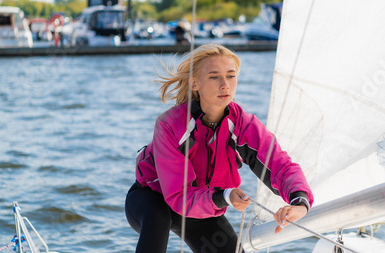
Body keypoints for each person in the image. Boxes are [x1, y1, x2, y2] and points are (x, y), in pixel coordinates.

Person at [125, 44, 313, 252]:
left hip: (202, 206)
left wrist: (300, 203)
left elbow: (280, 165)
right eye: (214, 77)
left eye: (231, 76)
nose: (225, 85)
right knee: (157, 218)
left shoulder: (243, 125)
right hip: (152, 199)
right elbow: (178, 195)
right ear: (194, 83)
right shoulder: (170, 125)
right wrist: (224, 196)